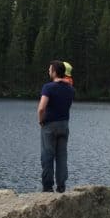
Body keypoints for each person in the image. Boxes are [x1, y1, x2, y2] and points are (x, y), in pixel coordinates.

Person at [37, 60, 75, 193]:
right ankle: (61, 186)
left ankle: (47, 187)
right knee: (62, 156)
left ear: (54, 71)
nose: (48, 71)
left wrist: (41, 121)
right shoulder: (70, 89)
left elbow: (41, 108)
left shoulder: (48, 87)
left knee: (47, 156)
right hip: (64, 125)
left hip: (49, 126)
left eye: (49, 69)